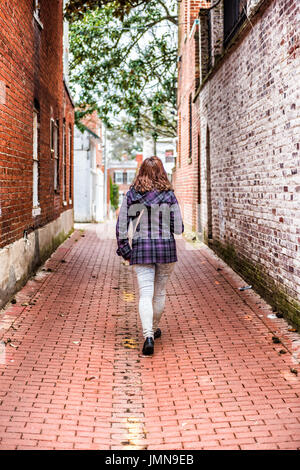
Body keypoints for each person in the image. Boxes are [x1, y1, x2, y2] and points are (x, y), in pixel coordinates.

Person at [116, 156, 184, 356]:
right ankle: (153, 329)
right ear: (162, 172)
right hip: (165, 249)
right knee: (160, 292)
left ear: (141, 172)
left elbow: (121, 226)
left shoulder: (132, 195)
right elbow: (178, 228)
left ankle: (148, 336)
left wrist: (125, 250)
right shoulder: (169, 196)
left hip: (142, 248)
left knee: (146, 293)